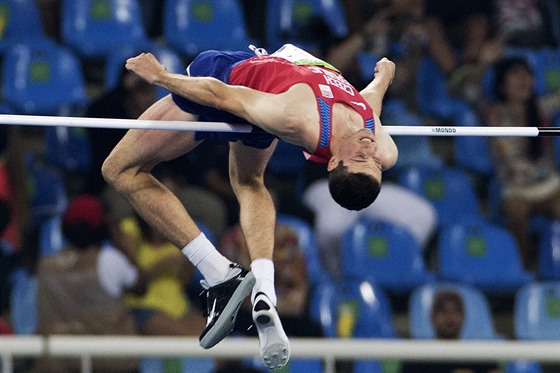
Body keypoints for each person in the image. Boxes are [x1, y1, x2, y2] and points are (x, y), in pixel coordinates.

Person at [102, 43, 398, 368]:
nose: (369, 151)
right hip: (264, 92)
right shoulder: (381, 147)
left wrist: (161, 77)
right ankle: (265, 290)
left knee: (119, 170)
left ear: (332, 162)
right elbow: (371, 102)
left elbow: (221, 96)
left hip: (230, 83)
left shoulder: (298, 117)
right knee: (248, 182)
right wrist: (385, 76)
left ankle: (218, 271)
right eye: (372, 162)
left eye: (360, 158)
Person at [34, 195, 145, 373]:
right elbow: (141, 287)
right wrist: (121, 243)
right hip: (111, 362)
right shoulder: (110, 259)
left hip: (62, 362)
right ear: (103, 228)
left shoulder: (45, 265)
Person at [485, 56, 560, 270]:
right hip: (515, 189)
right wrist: (483, 62)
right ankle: (522, 269)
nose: (523, 80)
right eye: (516, 75)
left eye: (527, 75)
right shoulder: (492, 112)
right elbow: (464, 90)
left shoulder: (542, 107)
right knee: (516, 214)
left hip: (550, 186)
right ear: (502, 83)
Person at [400, 290, 500, 373]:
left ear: (464, 317)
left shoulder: (481, 358)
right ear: (432, 317)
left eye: (455, 311)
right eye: (443, 311)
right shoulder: (415, 358)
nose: (449, 317)